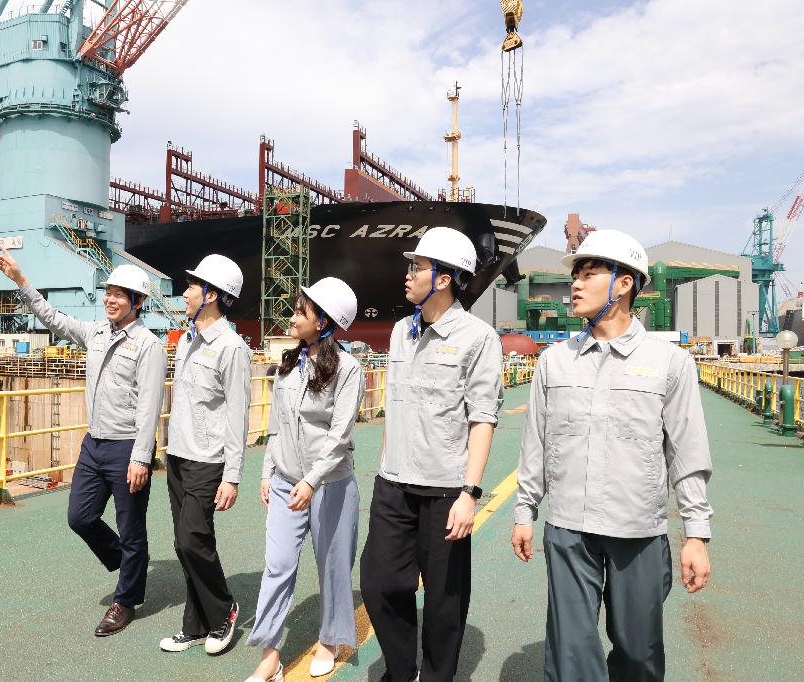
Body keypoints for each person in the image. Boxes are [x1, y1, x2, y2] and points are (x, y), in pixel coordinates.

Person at [511, 229, 713, 681]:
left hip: (637, 529)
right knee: (571, 653)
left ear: (624, 284)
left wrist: (696, 534)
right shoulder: (554, 361)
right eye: (576, 275)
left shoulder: (670, 363)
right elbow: (536, 444)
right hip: (568, 527)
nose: (575, 284)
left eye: (589, 274)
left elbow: (687, 454)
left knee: (639, 652)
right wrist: (525, 511)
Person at [0, 250, 166, 637]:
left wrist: (141, 458)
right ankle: (130, 561)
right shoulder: (96, 333)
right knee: (80, 517)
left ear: (137, 301)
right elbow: (52, 318)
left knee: (131, 527)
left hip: (127, 447)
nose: (110, 299)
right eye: (108, 292)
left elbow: (150, 405)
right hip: (94, 445)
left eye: (119, 294)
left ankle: (126, 601)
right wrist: (21, 281)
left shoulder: (148, 345)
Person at [360, 227, 504, 682]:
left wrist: (470, 493)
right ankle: (402, 670)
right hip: (393, 485)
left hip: (445, 490)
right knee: (379, 584)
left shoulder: (479, 338)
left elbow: (483, 418)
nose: (408, 274)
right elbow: (396, 404)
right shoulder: (400, 331)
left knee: (444, 600)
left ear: (443, 279)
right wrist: (384, 467)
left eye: (417, 267)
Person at [244, 278, 364, 682]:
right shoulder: (289, 363)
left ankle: (330, 640)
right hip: (285, 482)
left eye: (302, 311)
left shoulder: (348, 369)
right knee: (277, 566)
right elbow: (277, 423)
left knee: (333, 566)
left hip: (330, 485)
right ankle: (270, 657)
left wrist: (312, 481)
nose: (293, 317)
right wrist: (268, 470)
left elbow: (339, 436)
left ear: (324, 322)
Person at [159, 254, 252, 656]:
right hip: (179, 457)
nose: (185, 293)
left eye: (192, 287)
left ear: (212, 295)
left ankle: (224, 610)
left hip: (208, 462)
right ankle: (194, 626)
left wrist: (232, 476)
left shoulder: (232, 348)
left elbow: (237, 416)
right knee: (186, 545)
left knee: (191, 541)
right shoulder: (188, 340)